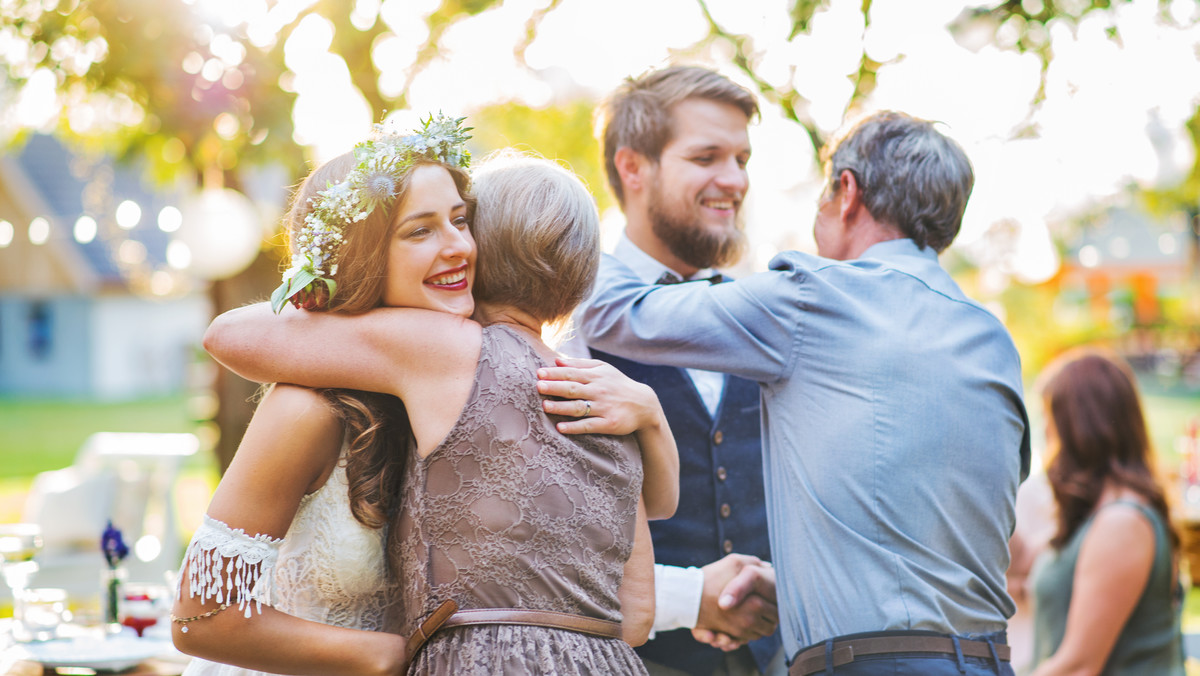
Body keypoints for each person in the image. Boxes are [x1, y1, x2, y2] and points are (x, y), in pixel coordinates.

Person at [174, 120, 676, 674]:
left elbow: (570, 589)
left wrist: (649, 413)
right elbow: (201, 619)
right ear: (363, 256)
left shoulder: (472, 400)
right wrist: (400, 656)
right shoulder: (307, 409)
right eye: (421, 231)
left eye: (462, 221)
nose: (460, 246)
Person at [577, 110, 1031, 676]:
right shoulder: (990, 337)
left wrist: (572, 222)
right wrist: (797, 588)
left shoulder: (812, 299)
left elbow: (618, 312)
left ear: (846, 192)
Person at [571, 64, 783, 676]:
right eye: (707, 157)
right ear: (634, 167)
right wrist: (689, 599)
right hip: (632, 658)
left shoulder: (764, 315)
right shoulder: (570, 321)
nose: (734, 180)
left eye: (742, 158)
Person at [1028, 347, 1185, 676]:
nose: (1044, 433)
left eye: (1050, 419)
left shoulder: (1122, 522)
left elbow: (1079, 666)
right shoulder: (1099, 518)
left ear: (1080, 427)